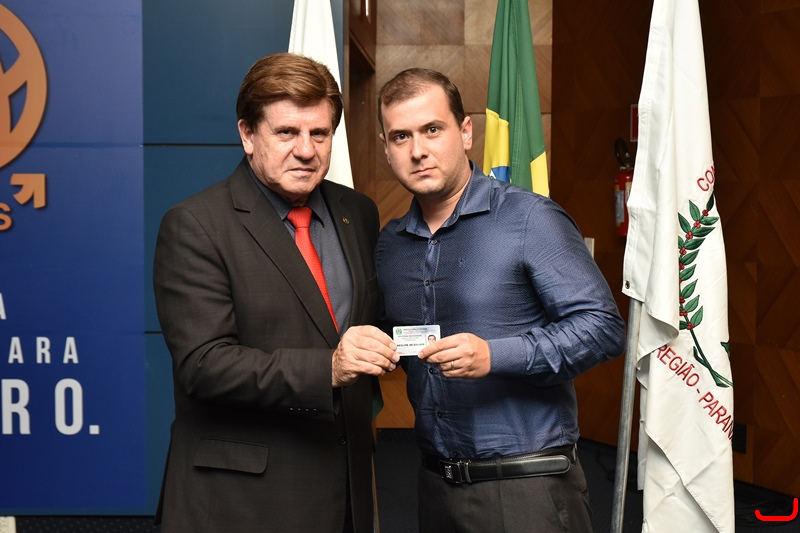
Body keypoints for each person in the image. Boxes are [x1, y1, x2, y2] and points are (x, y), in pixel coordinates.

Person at [153, 52, 399, 532]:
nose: (306, 150)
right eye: (287, 132)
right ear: (248, 134)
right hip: (242, 504)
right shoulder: (196, 225)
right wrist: (328, 369)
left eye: (320, 134)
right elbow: (204, 365)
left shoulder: (358, 212)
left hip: (347, 495)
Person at [375, 68, 627, 532]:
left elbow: (603, 328)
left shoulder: (530, 218)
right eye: (400, 136)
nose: (418, 150)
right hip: (434, 486)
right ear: (386, 147)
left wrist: (496, 355)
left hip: (528, 489)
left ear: (466, 132)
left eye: (433, 129)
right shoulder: (390, 245)